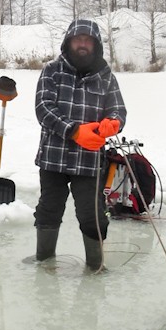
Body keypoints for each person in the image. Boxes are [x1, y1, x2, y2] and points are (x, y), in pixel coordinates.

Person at [34, 19, 126, 269]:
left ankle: (96, 267)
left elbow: (118, 109)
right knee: (48, 209)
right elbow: (43, 108)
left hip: (89, 160)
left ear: (95, 45)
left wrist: (114, 123)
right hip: (54, 157)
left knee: (92, 215)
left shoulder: (106, 76)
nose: (83, 44)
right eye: (78, 40)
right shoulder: (52, 70)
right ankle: (44, 262)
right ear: (69, 42)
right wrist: (73, 131)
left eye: (88, 40)